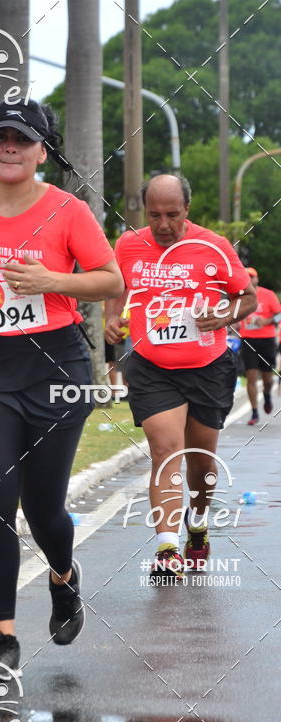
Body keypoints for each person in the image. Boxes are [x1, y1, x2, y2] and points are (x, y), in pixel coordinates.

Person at [0, 99, 123, 679]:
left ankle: (63, 576)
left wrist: (51, 279)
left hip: (57, 367)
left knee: (43, 509)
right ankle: (2, 638)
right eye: (0, 137)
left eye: (23, 138)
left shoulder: (67, 210)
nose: (10, 146)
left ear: (42, 152)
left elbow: (111, 279)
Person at [105, 174, 256, 577]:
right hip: (152, 367)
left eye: (172, 214)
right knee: (164, 449)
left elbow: (247, 298)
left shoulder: (214, 246)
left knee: (201, 465)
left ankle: (198, 521)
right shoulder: (128, 245)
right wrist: (112, 317)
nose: (163, 225)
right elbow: (118, 286)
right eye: (154, 215)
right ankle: (167, 548)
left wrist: (221, 315)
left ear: (187, 209)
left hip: (208, 367)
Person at [236, 267, 281, 425]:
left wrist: (267, 321)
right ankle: (254, 412)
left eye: (252, 277)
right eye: (246, 276)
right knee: (251, 376)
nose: (249, 279)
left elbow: (279, 314)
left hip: (266, 339)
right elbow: (234, 313)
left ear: (257, 279)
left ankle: (267, 395)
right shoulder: (239, 295)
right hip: (248, 339)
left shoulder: (268, 294)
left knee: (268, 378)